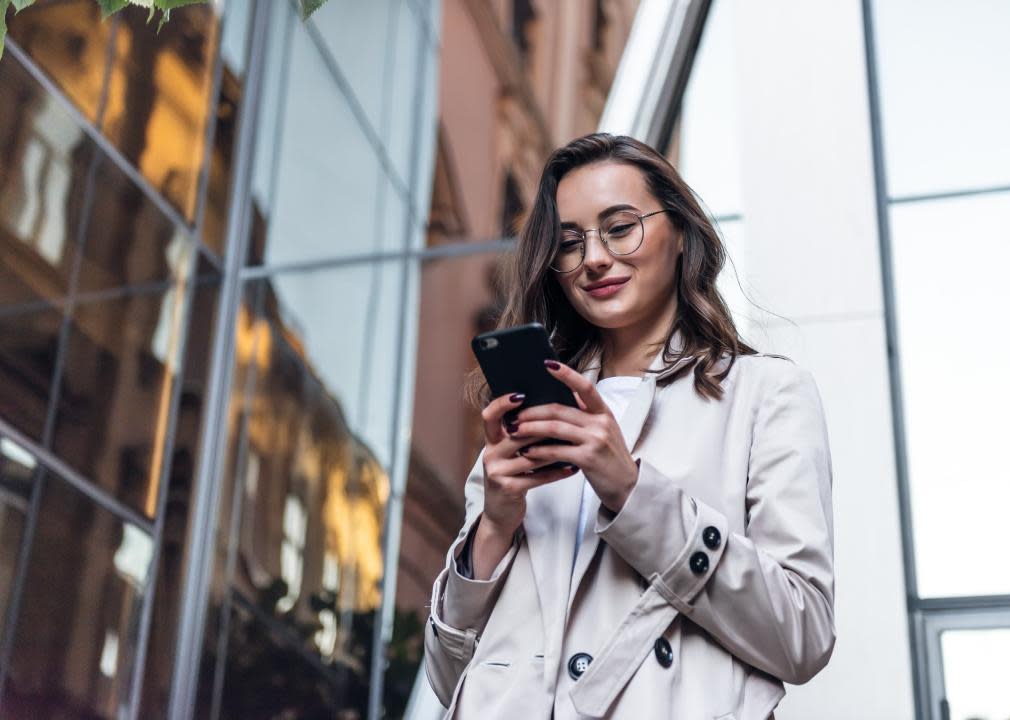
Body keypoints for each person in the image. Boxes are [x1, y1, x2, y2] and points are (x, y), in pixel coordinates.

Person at [423, 133, 835, 719]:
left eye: (620, 228)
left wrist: (633, 493)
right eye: (569, 242)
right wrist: (492, 526)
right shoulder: (528, 418)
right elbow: (448, 680)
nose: (593, 258)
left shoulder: (764, 395)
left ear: (682, 234)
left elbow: (804, 634)